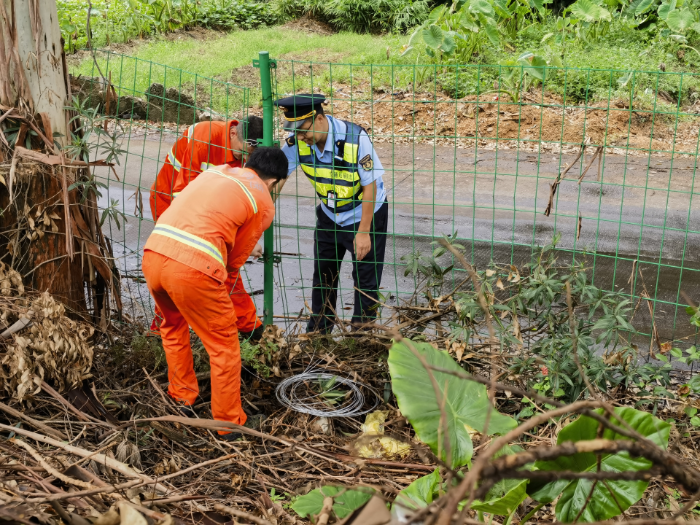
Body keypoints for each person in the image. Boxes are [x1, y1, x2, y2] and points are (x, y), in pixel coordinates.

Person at [142, 147, 288, 439]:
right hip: (193, 269)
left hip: (153, 254)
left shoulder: (216, 171)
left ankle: (181, 397)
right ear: (276, 181)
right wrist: (248, 324)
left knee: (172, 326)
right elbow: (231, 267)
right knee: (223, 346)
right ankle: (228, 424)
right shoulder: (262, 200)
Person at [274, 94, 388, 333]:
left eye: (303, 130)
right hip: (329, 213)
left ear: (319, 119)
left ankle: (362, 336)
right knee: (324, 276)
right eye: (295, 132)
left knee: (365, 280)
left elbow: (371, 186)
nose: (300, 137)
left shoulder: (356, 139)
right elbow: (279, 177)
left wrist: (364, 232)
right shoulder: (298, 142)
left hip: (363, 213)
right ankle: (318, 333)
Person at [148, 117, 265, 342]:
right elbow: (182, 192)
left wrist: (246, 239)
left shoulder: (246, 153)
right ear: (232, 134)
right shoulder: (204, 137)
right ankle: (248, 328)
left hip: (208, 211)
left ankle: (244, 326)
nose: (247, 158)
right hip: (170, 203)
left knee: (214, 267)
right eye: (246, 150)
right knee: (186, 266)